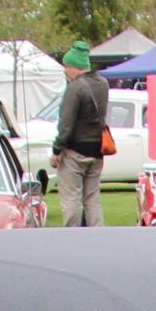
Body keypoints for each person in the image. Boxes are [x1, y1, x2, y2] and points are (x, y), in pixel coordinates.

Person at [50, 41, 109, 227]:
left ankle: (72, 237)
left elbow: (65, 124)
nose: (65, 71)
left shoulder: (75, 88)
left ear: (75, 66)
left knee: (71, 198)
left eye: (66, 67)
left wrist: (56, 150)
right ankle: (97, 234)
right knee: (92, 198)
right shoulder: (103, 84)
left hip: (75, 150)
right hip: (97, 149)